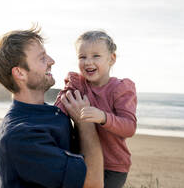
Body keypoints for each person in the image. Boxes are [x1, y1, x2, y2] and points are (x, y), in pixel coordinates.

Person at [0, 25, 104, 188]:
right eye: (42, 58)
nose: (51, 61)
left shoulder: (51, 112)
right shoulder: (20, 136)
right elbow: (93, 183)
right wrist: (85, 124)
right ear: (20, 73)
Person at [55, 30, 137, 188]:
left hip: (112, 166)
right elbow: (60, 108)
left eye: (96, 56)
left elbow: (129, 127)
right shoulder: (77, 83)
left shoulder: (120, 89)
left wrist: (103, 117)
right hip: (80, 158)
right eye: (82, 57)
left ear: (111, 59)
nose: (88, 62)